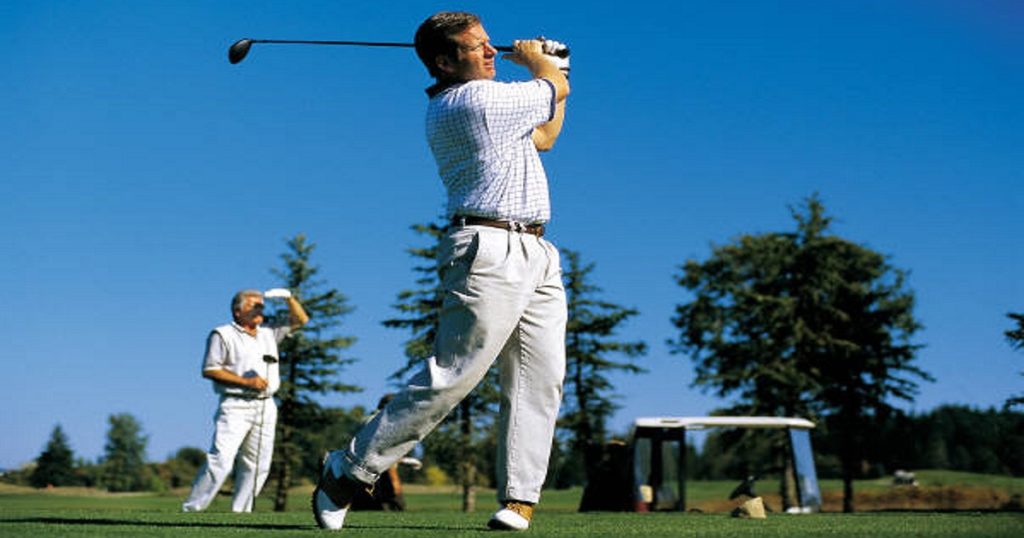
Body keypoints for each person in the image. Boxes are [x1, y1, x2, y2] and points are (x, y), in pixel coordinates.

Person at [312, 11, 570, 531]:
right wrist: (546, 62)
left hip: (537, 249)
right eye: (478, 46)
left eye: (489, 42)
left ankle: (518, 499)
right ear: (445, 63)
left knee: (541, 379)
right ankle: (350, 468)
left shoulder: (498, 104)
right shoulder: (472, 102)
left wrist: (556, 70)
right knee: (456, 373)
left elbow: (545, 135)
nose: (492, 51)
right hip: (488, 247)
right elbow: (552, 89)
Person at [182, 288, 309, 513]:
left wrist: (288, 298)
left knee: (258, 463)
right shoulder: (222, 334)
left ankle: (241, 513)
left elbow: (301, 319)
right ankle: (192, 509)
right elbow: (210, 369)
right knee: (221, 459)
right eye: (254, 306)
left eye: (262, 306)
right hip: (235, 404)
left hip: (266, 405)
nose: (260, 310)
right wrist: (246, 382)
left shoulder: (269, 332)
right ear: (237, 311)